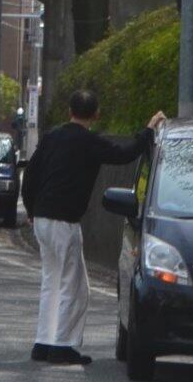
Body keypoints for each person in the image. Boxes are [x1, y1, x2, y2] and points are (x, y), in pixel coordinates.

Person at [22, 89, 164, 366]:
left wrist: (30, 209)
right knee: (74, 286)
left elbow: (31, 173)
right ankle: (62, 345)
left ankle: (43, 341)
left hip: (41, 217)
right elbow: (126, 153)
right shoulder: (89, 142)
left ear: (69, 111)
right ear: (96, 114)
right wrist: (148, 129)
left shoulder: (52, 137)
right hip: (65, 220)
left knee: (51, 281)